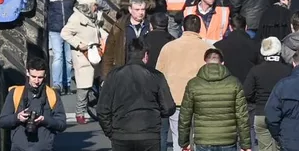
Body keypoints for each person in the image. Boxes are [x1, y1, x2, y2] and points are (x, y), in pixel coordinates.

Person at [98, 44, 176, 151]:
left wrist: (110, 132)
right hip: (149, 132)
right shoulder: (156, 75)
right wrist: (156, 114)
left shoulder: (113, 76)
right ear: (145, 56)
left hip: (121, 132)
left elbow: (102, 109)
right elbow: (168, 107)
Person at [179, 48, 252, 151]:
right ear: (222, 62)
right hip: (228, 140)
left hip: (203, 140)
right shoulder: (234, 83)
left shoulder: (193, 84)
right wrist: (246, 145)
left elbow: (185, 116)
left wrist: (184, 143)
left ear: (205, 61)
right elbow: (242, 116)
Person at [159, 15, 214, 151]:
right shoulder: (209, 49)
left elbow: (158, 75)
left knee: (180, 140)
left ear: (183, 28)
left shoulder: (168, 47)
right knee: (200, 140)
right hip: (201, 102)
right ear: (200, 29)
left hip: (176, 100)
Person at [0, 65, 68, 151]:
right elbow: (2, 122)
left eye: (40, 77)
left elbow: (61, 125)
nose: (36, 81)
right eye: (33, 77)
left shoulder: (52, 95)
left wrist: (44, 120)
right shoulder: (15, 93)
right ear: (27, 73)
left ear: (45, 75)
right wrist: (17, 117)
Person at [246, 38, 295, 151]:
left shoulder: (255, 70)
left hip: (261, 112)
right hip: (281, 114)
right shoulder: (288, 70)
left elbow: (247, 93)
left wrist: (257, 99)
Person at [42, 0, 81, 91]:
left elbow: (80, 8)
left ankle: (67, 84)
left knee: (69, 59)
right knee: (58, 57)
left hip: (71, 31)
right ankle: (57, 84)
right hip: (55, 30)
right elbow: (44, 10)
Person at [60, 0, 107, 95]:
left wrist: (108, 37)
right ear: (88, 6)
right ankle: (80, 110)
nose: (96, 7)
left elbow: (98, 30)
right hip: (83, 56)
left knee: (96, 81)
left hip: (95, 55)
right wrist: (79, 44)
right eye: (94, 5)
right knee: (83, 89)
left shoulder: (92, 17)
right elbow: (64, 33)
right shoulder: (76, 18)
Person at [215, 13, 261, 86]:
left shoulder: (218, 46)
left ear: (230, 27)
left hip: (225, 87)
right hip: (248, 87)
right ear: (246, 27)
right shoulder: (256, 46)